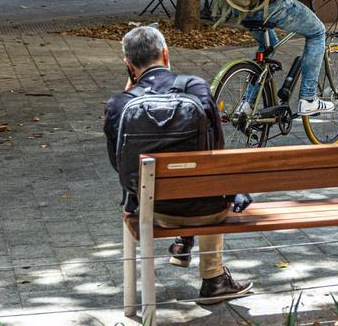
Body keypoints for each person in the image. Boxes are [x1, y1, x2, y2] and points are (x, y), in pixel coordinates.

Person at [103, 26, 252, 304]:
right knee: (208, 180)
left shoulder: (118, 104)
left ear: (128, 65)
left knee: (185, 181)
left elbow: (120, 166)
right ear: (165, 54)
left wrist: (127, 96)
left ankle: (184, 244)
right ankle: (213, 279)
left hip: (150, 211)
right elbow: (215, 152)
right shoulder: (196, 87)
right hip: (207, 211)